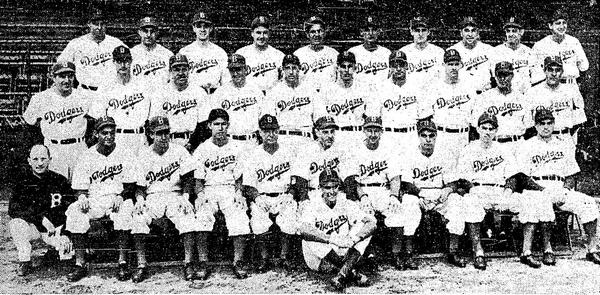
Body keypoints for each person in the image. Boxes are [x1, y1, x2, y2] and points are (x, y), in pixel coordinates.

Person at [455, 112, 551, 270]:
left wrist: (507, 192)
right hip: (478, 190)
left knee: (529, 200)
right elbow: (463, 179)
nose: (487, 132)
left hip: (500, 190)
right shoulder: (468, 149)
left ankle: (526, 252)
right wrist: (473, 190)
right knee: (470, 203)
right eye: (484, 128)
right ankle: (478, 252)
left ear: (496, 130)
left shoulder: (503, 149)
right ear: (478, 129)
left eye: (491, 128)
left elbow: (513, 176)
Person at [516, 109, 600, 266]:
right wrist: (543, 190)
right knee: (542, 203)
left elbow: (571, 174)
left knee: (588, 202)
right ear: (535, 125)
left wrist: (566, 190)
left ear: (554, 124)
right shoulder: (526, 145)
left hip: (560, 187)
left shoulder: (563, 145)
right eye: (542, 124)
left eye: (549, 123)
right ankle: (547, 249)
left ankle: (592, 249)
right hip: (537, 187)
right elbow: (523, 177)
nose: (546, 127)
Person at [65, 116, 138, 282]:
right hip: (95, 199)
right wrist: (82, 196)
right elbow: (79, 186)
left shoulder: (125, 153)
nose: (109, 136)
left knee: (125, 211)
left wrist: (122, 196)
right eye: (104, 132)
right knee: (75, 212)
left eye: (112, 132)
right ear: (96, 134)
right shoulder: (87, 156)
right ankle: (80, 263)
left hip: (117, 197)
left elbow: (132, 182)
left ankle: (122, 262)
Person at [344, 116, 422, 270]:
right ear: (363, 131)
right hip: (364, 190)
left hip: (382, 189)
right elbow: (353, 179)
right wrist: (363, 196)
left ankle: (396, 254)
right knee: (365, 219)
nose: (373, 134)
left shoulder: (388, 150)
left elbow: (394, 177)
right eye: (369, 130)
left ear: (382, 132)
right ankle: (367, 255)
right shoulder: (355, 150)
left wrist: (394, 196)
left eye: (376, 130)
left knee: (398, 212)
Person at [130, 116, 200, 283]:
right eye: (159, 133)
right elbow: (139, 187)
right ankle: (141, 264)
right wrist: (139, 200)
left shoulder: (179, 151)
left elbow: (188, 179)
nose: (163, 137)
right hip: (152, 196)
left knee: (187, 216)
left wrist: (185, 196)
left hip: (175, 195)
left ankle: (189, 263)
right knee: (138, 218)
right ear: (151, 134)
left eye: (166, 132)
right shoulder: (143, 155)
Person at [399, 120, 469, 270]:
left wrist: (447, 190)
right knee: (408, 203)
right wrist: (420, 194)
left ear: (436, 137)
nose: (428, 139)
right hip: (417, 193)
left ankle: (453, 251)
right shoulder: (409, 154)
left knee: (456, 201)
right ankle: (409, 253)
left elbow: (453, 182)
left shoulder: (445, 154)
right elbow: (405, 183)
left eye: (431, 135)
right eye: (424, 135)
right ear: (418, 137)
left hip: (438, 193)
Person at [192, 109, 252, 280]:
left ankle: (238, 261)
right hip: (209, 189)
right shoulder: (202, 149)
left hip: (229, 189)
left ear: (228, 126)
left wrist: (239, 193)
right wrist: (200, 195)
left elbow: (239, 177)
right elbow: (198, 180)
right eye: (216, 124)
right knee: (202, 215)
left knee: (239, 216)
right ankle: (203, 262)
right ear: (209, 126)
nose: (220, 128)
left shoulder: (236, 147)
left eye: (223, 124)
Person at [299, 169, 376, 291]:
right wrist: (332, 239)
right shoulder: (312, 204)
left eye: (335, 186)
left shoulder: (345, 202)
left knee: (363, 227)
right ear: (320, 188)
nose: (332, 191)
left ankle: (341, 275)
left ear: (339, 187)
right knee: (311, 235)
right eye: (327, 187)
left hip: (342, 248)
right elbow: (303, 229)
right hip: (319, 258)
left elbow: (371, 223)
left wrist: (355, 238)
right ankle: (351, 271)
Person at [241, 114, 299, 272]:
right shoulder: (253, 155)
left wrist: (291, 194)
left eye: (273, 130)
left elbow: (296, 179)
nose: (270, 134)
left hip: (283, 194)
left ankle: (284, 257)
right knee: (258, 221)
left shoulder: (289, 152)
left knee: (289, 217)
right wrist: (257, 197)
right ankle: (264, 258)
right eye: (266, 131)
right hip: (263, 196)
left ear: (278, 130)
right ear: (260, 132)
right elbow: (248, 185)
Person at [8, 145, 75, 276]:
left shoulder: (60, 180)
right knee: (16, 224)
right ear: (29, 160)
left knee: (67, 258)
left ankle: (56, 252)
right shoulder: (22, 182)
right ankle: (25, 260)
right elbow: (13, 209)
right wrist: (41, 219)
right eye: (35, 159)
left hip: (56, 230)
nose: (40, 163)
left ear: (50, 159)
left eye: (43, 158)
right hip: (34, 228)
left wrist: (66, 232)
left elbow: (71, 209)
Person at [22, 61, 91, 180]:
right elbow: (29, 124)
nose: (67, 80)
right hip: (54, 149)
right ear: (53, 78)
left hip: (78, 147)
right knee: (55, 189)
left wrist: (88, 143)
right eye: (62, 76)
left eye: (70, 76)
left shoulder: (84, 96)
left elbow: (94, 121)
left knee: (81, 187)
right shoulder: (40, 98)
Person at [90, 46, 153, 155]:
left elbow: (152, 114)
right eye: (119, 61)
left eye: (126, 61)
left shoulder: (143, 84)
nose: (123, 65)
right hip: (117, 137)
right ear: (113, 62)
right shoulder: (106, 87)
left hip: (140, 137)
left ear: (131, 61)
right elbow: (98, 115)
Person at [57, 9, 126, 93]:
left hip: (110, 92)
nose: (99, 27)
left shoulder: (116, 43)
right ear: (89, 24)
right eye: (96, 24)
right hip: (86, 91)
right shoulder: (76, 43)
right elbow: (61, 65)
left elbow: (129, 64)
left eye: (102, 24)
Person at [367, 50, 425, 149]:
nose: (398, 69)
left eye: (401, 65)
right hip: (388, 136)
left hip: (411, 135)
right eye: (394, 65)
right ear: (390, 67)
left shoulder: (417, 86)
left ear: (406, 66)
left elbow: (424, 116)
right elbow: (373, 116)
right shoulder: (380, 87)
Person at [151, 54, 211, 148]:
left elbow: (204, 124)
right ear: (170, 72)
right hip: (168, 142)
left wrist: (192, 144)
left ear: (189, 70)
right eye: (176, 69)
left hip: (193, 141)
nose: (181, 73)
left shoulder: (199, 92)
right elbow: (154, 124)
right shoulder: (160, 93)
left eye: (184, 69)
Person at [423, 49, 476, 155]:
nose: (453, 68)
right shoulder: (434, 87)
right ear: (443, 65)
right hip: (442, 135)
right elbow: (426, 115)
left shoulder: (469, 86)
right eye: (450, 64)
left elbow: (474, 113)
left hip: (463, 135)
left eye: (456, 64)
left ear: (461, 65)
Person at [471, 61, 533, 152]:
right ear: (495, 76)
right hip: (495, 144)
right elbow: (475, 124)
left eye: (506, 75)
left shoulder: (521, 98)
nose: (502, 78)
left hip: (518, 144)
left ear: (512, 76)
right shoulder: (484, 98)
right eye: (499, 75)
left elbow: (528, 125)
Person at [261, 54, 318, 149]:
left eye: (294, 68)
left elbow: (319, 116)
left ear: (299, 69)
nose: (291, 72)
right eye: (287, 68)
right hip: (283, 138)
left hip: (306, 138)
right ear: (282, 69)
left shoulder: (310, 89)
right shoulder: (274, 91)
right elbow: (268, 119)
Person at [525, 56, 585, 143]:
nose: (554, 73)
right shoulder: (533, 92)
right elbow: (528, 122)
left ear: (562, 72)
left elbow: (579, 120)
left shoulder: (571, 90)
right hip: (542, 139)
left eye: (557, 70)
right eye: (550, 69)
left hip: (565, 137)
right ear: (544, 71)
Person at [210, 54, 264, 149]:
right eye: (232, 70)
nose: (235, 73)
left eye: (238, 69)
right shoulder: (220, 92)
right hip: (229, 142)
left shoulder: (256, 91)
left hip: (251, 141)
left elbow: (262, 118)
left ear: (245, 69)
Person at [317, 51, 368, 147]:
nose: (346, 70)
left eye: (350, 66)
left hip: (359, 135)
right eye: (343, 66)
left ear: (355, 68)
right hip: (338, 136)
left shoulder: (364, 89)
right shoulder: (327, 90)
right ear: (337, 68)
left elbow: (369, 115)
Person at [532, 9, 589, 86]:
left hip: (570, 84)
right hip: (549, 87)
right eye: (558, 23)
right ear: (550, 25)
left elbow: (584, 66)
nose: (562, 26)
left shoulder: (573, 42)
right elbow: (535, 71)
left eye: (564, 23)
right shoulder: (540, 45)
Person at [178, 12, 228, 94]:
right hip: (193, 95)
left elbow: (225, 81)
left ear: (211, 28)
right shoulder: (185, 52)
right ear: (194, 28)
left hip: (214, 94)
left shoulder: (220, 52)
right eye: (199, 26)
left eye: (206, 26)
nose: (202, 29)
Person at [490, 17, 541, 94]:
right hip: (504, 94)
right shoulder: (496, 51)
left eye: (514, 31)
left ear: (521, 32)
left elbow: (536, 76)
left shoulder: (529, 52)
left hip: (524, 94)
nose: (510, 34)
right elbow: (494, 77)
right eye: (508, 31)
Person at [235, 16, 285, 95]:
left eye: (265, 33)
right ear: (252, 33)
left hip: (271, 97)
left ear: (269, 34)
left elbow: (283, 81)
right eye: (258, 32)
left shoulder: (278, 55)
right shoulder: (242, 53)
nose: (261, 36)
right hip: (249, 97)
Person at [448, 16, 494, 93]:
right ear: (461, 33)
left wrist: (489, 87)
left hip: (485, 94)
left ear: (478, 33)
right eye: (466, 30)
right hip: (461, 94)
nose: (470, 34)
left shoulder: (489, 50)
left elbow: (495, 76)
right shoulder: (453, 50)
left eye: (473, 30)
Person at [293, 16, 339, 92]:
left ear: (324, 33)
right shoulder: (298, 54)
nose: (317, 35)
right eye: (313, 32)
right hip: (307, 96)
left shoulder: (334, 54)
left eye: (319, 31)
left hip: (329, 96)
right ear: (307, 34)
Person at [399, 16, 444, 92]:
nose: (420, 34)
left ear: (428, 32)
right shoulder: (404, 52)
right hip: (411, 94)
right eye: (417, 30)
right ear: (411, 31)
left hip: (433, 93)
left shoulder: (438, 52)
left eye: (423, 30)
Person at [347, 16, 391, 88]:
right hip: (360, 93)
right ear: (361, 32)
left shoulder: (386, 53)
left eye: (374, 30)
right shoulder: (353, 52)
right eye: (367, 30)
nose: (370, 33)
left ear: (379, 32)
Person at [130, 16, 174, 86]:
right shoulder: (132, 54)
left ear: (157, 32)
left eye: (152, 31)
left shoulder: (167, 54)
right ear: (139, 32)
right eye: (145, 31)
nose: (148, 35)